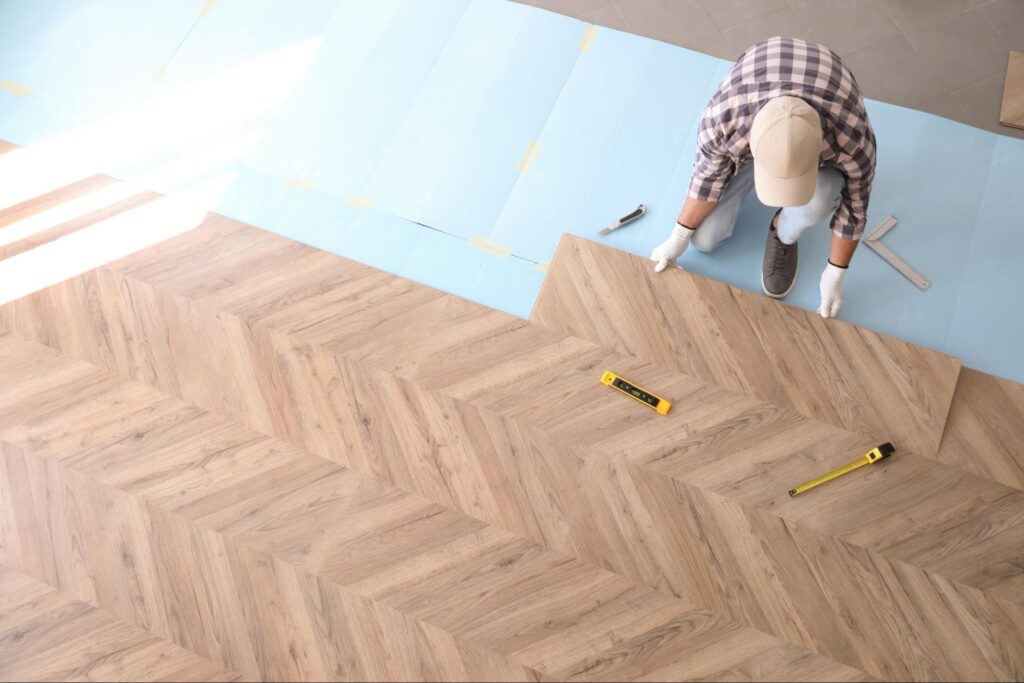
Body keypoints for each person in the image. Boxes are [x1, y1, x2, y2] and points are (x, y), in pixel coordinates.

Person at [650, 36, 876, 318]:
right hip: (757, 87)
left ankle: (783, 230)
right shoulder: (723, 119)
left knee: (818, 203)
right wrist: (679, 236)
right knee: (704, 240)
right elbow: (707, 178)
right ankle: (743, 174)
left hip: (827, 85)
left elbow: (855, 210)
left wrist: (835, 274)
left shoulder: (853, 138)